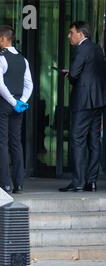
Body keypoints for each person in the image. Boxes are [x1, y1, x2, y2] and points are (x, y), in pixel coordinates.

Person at [59, 21, 106, 192]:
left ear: (81, 34)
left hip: (83, 101)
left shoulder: (80, 49)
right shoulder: (97, 49)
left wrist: (69, 75)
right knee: (94, 142)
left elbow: (75, 74)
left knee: (77, 140)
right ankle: (91, 182)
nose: (69, 36)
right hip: (98, 101)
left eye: (71, 32)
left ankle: (78, 181)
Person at [0, 25, 33, 194]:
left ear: (4, 39)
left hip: (3, 103)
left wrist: (11, 101)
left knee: (2, 143)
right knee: (16, 143)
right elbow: (29, 84)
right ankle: (19, 184)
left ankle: (5, 184)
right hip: (18, 105)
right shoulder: (23, 59)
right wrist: (21, 101)